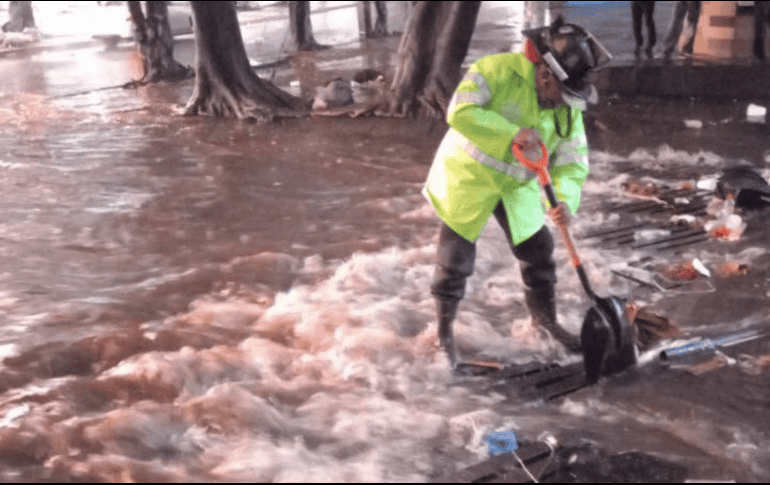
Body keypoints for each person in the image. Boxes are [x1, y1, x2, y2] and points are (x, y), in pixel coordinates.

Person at [423, 16, 612, 366]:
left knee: (539, 249)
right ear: (544, 75)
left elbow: (573, 162)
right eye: (564, 93)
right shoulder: (492, 70)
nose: (567, 103)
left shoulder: (566, 110)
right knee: (455, 260)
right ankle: (443, 335)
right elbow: (459, 111)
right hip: (469, 177)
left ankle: (546, 322)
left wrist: (565, 202)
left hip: (518, 184)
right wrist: (511, 133)